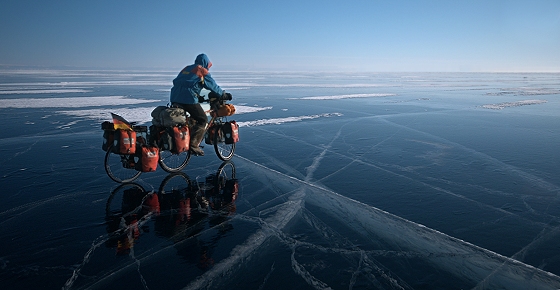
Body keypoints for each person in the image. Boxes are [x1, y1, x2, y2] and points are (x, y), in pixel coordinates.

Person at [170, 53, 231, 156]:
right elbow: (212, 86)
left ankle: (185, 137)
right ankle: (193, 145)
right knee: (202, 120)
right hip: (187, 98)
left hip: (174, 97)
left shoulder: (187, 68)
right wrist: (223, 95)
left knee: (190, 118)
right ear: (206, 63)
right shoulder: (201, 70)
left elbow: (187, 82)